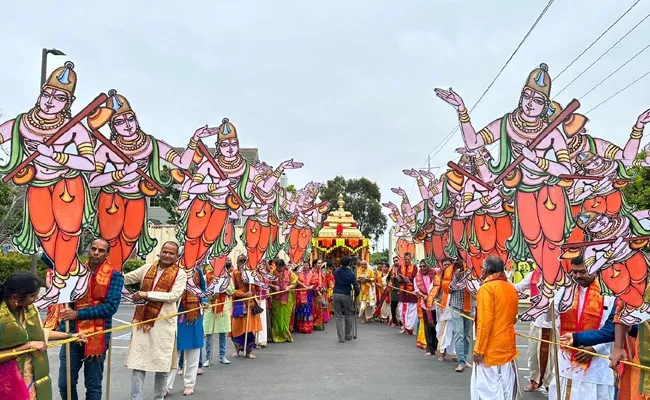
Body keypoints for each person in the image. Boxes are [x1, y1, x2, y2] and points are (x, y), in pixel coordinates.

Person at [0, 271, 86, 400]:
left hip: (31, 377)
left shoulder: (29, 308)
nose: (36, 299)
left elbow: (40, 334)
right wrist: (27, 346)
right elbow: (30, 343)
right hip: (7, 383)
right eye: (33, 296)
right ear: (16, 297)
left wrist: (71, 336)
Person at [57, 238, 123, 400]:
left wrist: (78, 314)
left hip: (98, 337)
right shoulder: (76, 272)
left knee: (93, 385)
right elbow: (67, 298)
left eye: (101, 250)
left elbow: (110, 308)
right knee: (65, 384)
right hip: (72, 334)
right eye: (94, 248)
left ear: (107, 254)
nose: (96, 253)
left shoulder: (115, 276)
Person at [124, 242, 188, 400]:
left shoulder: (180, 274)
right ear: (160, 252)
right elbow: (127, 278)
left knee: (162, 367)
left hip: (164, 326)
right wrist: (112, 274)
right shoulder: (147, 268)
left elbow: (173, 296)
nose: (167, 255)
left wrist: (146, 294)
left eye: (171, 253)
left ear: (177, 256)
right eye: (165, 251)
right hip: (142, 323)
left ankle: (159, 397)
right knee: (138, 364)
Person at [548, 255, 616, 400]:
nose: (578, 276)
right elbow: (553, 319)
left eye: (582, 272)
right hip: (566, 361)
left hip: (596, 364)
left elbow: (613, 328)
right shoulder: (565, 291)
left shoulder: (609, 292)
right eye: (574, 272)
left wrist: (594, 349)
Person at [471, 256, 520, 400]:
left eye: (481, 269)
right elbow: (513, 318)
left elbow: (485, 321)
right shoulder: (511, 288)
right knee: (505, 388)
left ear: (485, 271)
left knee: (488, 390)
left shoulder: (486, 289)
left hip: (490, 350)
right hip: (508, 346)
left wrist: (479, 349)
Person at [166, 265, 207, 396]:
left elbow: (203, 290)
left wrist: (204, 300)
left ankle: (189, 384)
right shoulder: (171, 270)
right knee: (172, 351)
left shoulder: (197, 271)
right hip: (175, 313)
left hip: (193, 314)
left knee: (193, 351)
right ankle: (166, 386)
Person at [514, 267, 554, 391]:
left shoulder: (559, 277)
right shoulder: (533, 275)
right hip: (536, 322)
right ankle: (535, 381)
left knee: (549, 358)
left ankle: (549, 385)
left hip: (551, 324)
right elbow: (518, 287)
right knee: (532, 355)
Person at [230, 254, 263, 358]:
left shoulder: (251, 273)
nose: (243, 262)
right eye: (241, 261)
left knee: (249, 329)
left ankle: (249, 351)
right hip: (239, 304)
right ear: (237, 263)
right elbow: (231, 291)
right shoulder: (234, 274)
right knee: (237, 329)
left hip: (251, 304)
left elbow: (259, 285)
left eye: (245, 260)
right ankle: (237, 350)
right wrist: (243, 294)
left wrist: (256, 277)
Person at [203, 261, 234, 366]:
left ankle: (222, 356)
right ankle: (208, 357)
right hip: (210, 307)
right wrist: (212, 296)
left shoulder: (227, 276)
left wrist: (223, 288)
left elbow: (232, 290)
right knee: (209, 333)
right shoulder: (206, 276)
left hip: (223, 306)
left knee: (223, 332)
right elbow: (203, 293)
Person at [448, 259, 473, 372]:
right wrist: (457, 278)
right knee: (459, 334)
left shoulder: (471, 272)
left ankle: (464, 358)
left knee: (467, 335)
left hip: (468, 308)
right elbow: (449, 289)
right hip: (456, 306)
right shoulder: (450, 271)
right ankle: (461, 362)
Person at [269, 259, 298, 342]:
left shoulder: (289, 273)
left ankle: (285, 335)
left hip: (287, 298)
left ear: (283, 266)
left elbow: (294, 283)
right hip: (276, 298)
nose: (278, 269)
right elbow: (268, 283)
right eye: (277, 267)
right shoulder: (272, 272)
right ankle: (276, 336)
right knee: (277, 316)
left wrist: (288, 287)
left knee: (285, 316)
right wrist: (274, 287)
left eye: (280, 268)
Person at [332, 256, 359, 343]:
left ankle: (341, 338)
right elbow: (356, 286)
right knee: (348, 316)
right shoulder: (351, 273)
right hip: (346, 295)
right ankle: (347, 335)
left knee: (338, 317)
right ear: (349, 263)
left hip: (336, 294)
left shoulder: (336, 271)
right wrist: (356, 294)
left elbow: (335, 275)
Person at [413, 260, 437, 354]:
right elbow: (417, 290)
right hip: (425, 304)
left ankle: (436, 346)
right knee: (427, 326)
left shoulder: (434, 275)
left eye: (424, 266)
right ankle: (430, 348)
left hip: (435, 304)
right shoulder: (417, 278)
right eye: (421, 266)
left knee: (435, 325)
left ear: (428, 266)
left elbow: (437, 287)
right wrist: (424, 296)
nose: (422, 268)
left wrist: (432, 297)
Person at [397, 252, 418, 335]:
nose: (406, 261)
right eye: (405, 259)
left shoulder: (415, 267)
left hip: (411, 293)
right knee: (401, 310)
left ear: (411, 259)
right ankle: (404, 327)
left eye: (408, 259)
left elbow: (415, 277)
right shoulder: (400, 267)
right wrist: (400, 279)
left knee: (411, 311)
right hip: (402, 293)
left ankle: (410, 328)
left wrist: (408, 279)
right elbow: (397, 277)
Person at [295, 260, 318, 333]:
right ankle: (300, 327)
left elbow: (315, 283)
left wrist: (310, 287)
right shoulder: (299, 274)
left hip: (308, 294)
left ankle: (307, 327)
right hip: (300, 294)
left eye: (307, 265)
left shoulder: (312, 274)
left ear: (309, 266)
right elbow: (296, 281)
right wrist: (302, 285)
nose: (305, 266)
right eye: (304, 265)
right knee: (301, 309)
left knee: (307, 309)